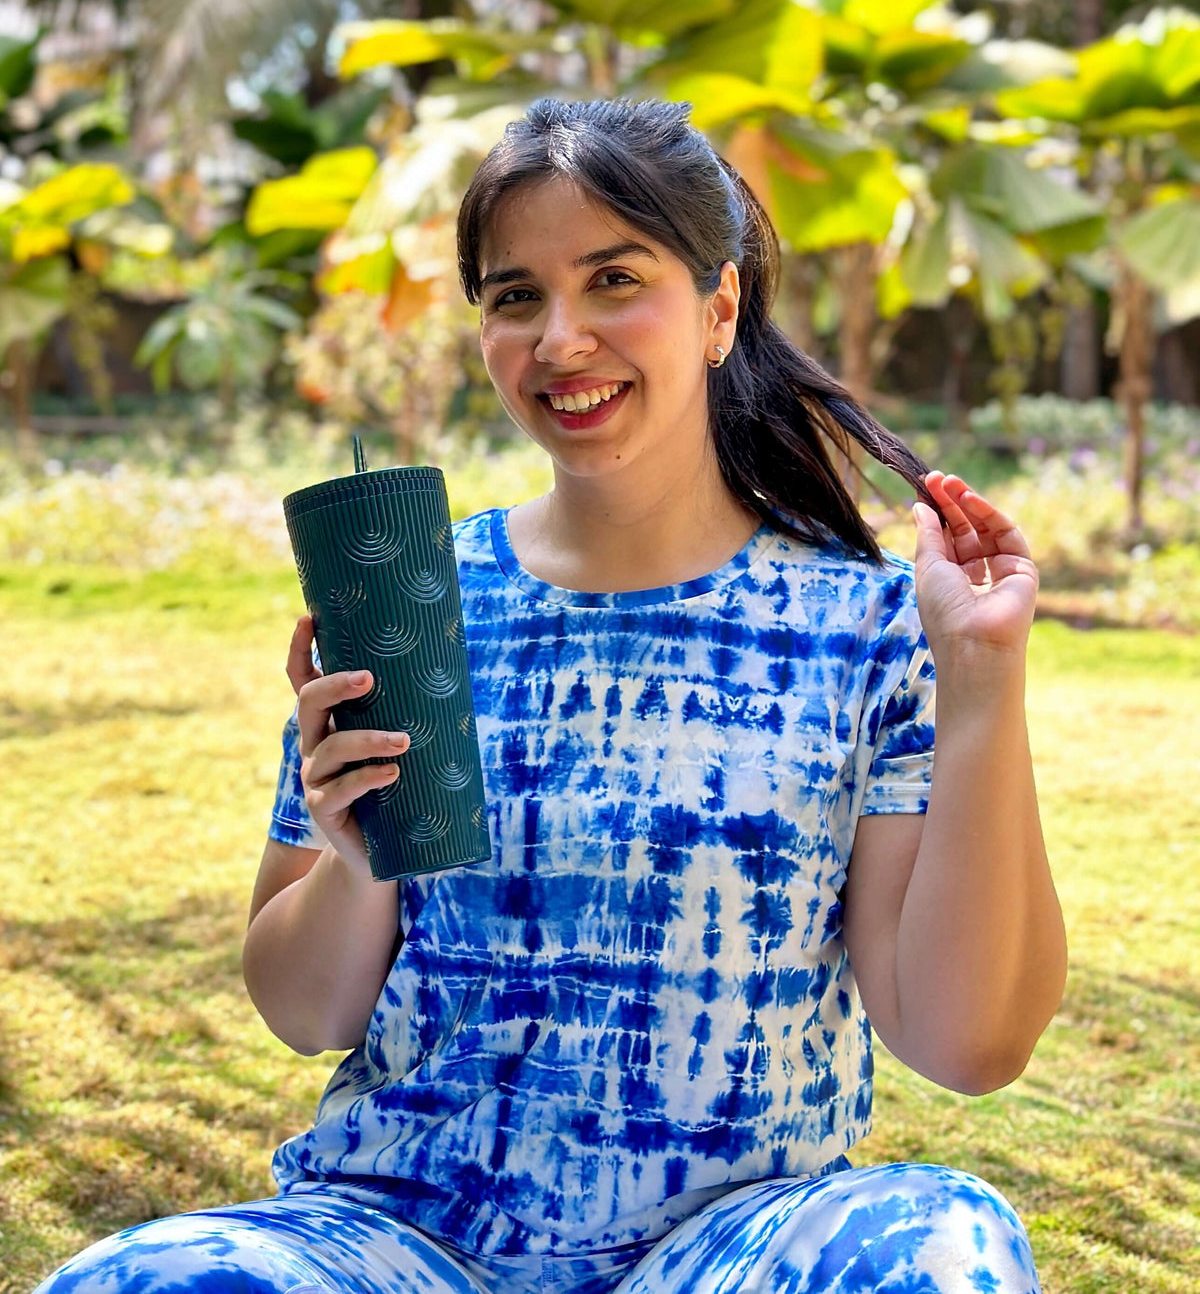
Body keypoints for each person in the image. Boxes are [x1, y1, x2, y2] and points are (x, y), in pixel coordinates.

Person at [34, 97, 1067, 1294]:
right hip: (403, 1243)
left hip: (725, 1253)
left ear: (720, 307)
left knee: (945, 1242)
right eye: (515, 296)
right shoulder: (412, 596)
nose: (560, 339)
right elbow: (303, 1012)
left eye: (614, 280)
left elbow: (967, 1041)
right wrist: (358, 851)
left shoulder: (864, 623)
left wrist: (982, 684)